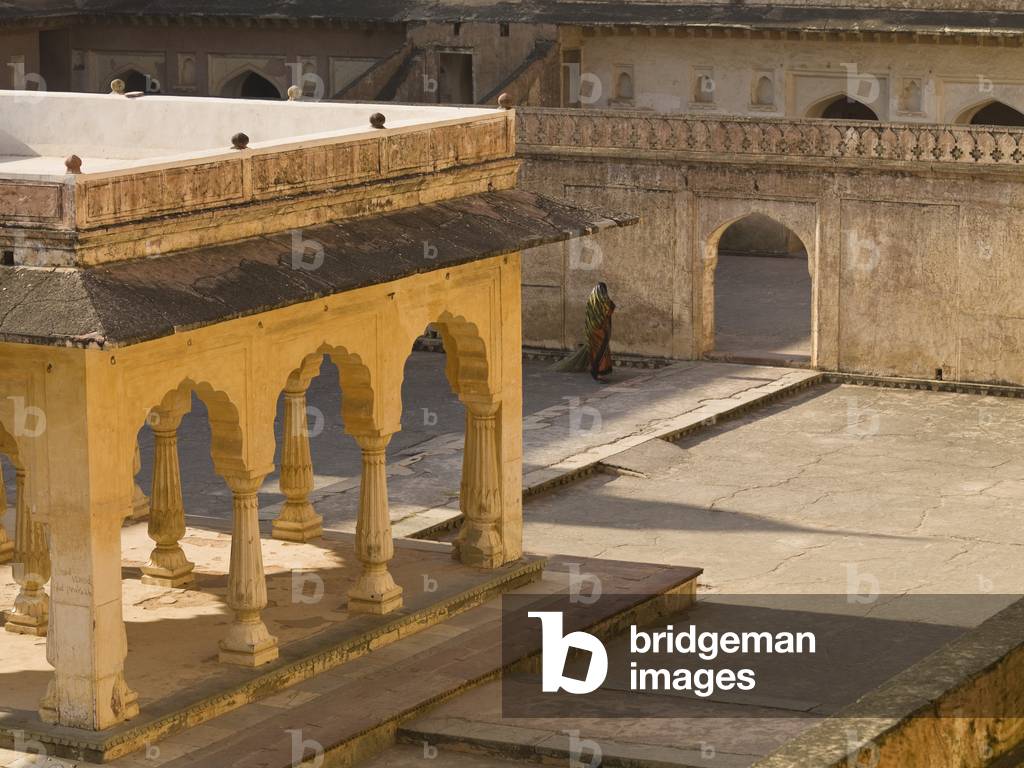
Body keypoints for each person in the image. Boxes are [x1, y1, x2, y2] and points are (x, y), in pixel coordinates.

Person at [551, 282, 616, 381]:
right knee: (600, 352)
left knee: (596, 351)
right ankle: (596, 372)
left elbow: (590, 318)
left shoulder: (592, 301)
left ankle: (597, 371)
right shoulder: (603, 302)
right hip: (599, 332)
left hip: (591, 330)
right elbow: (608, 309)